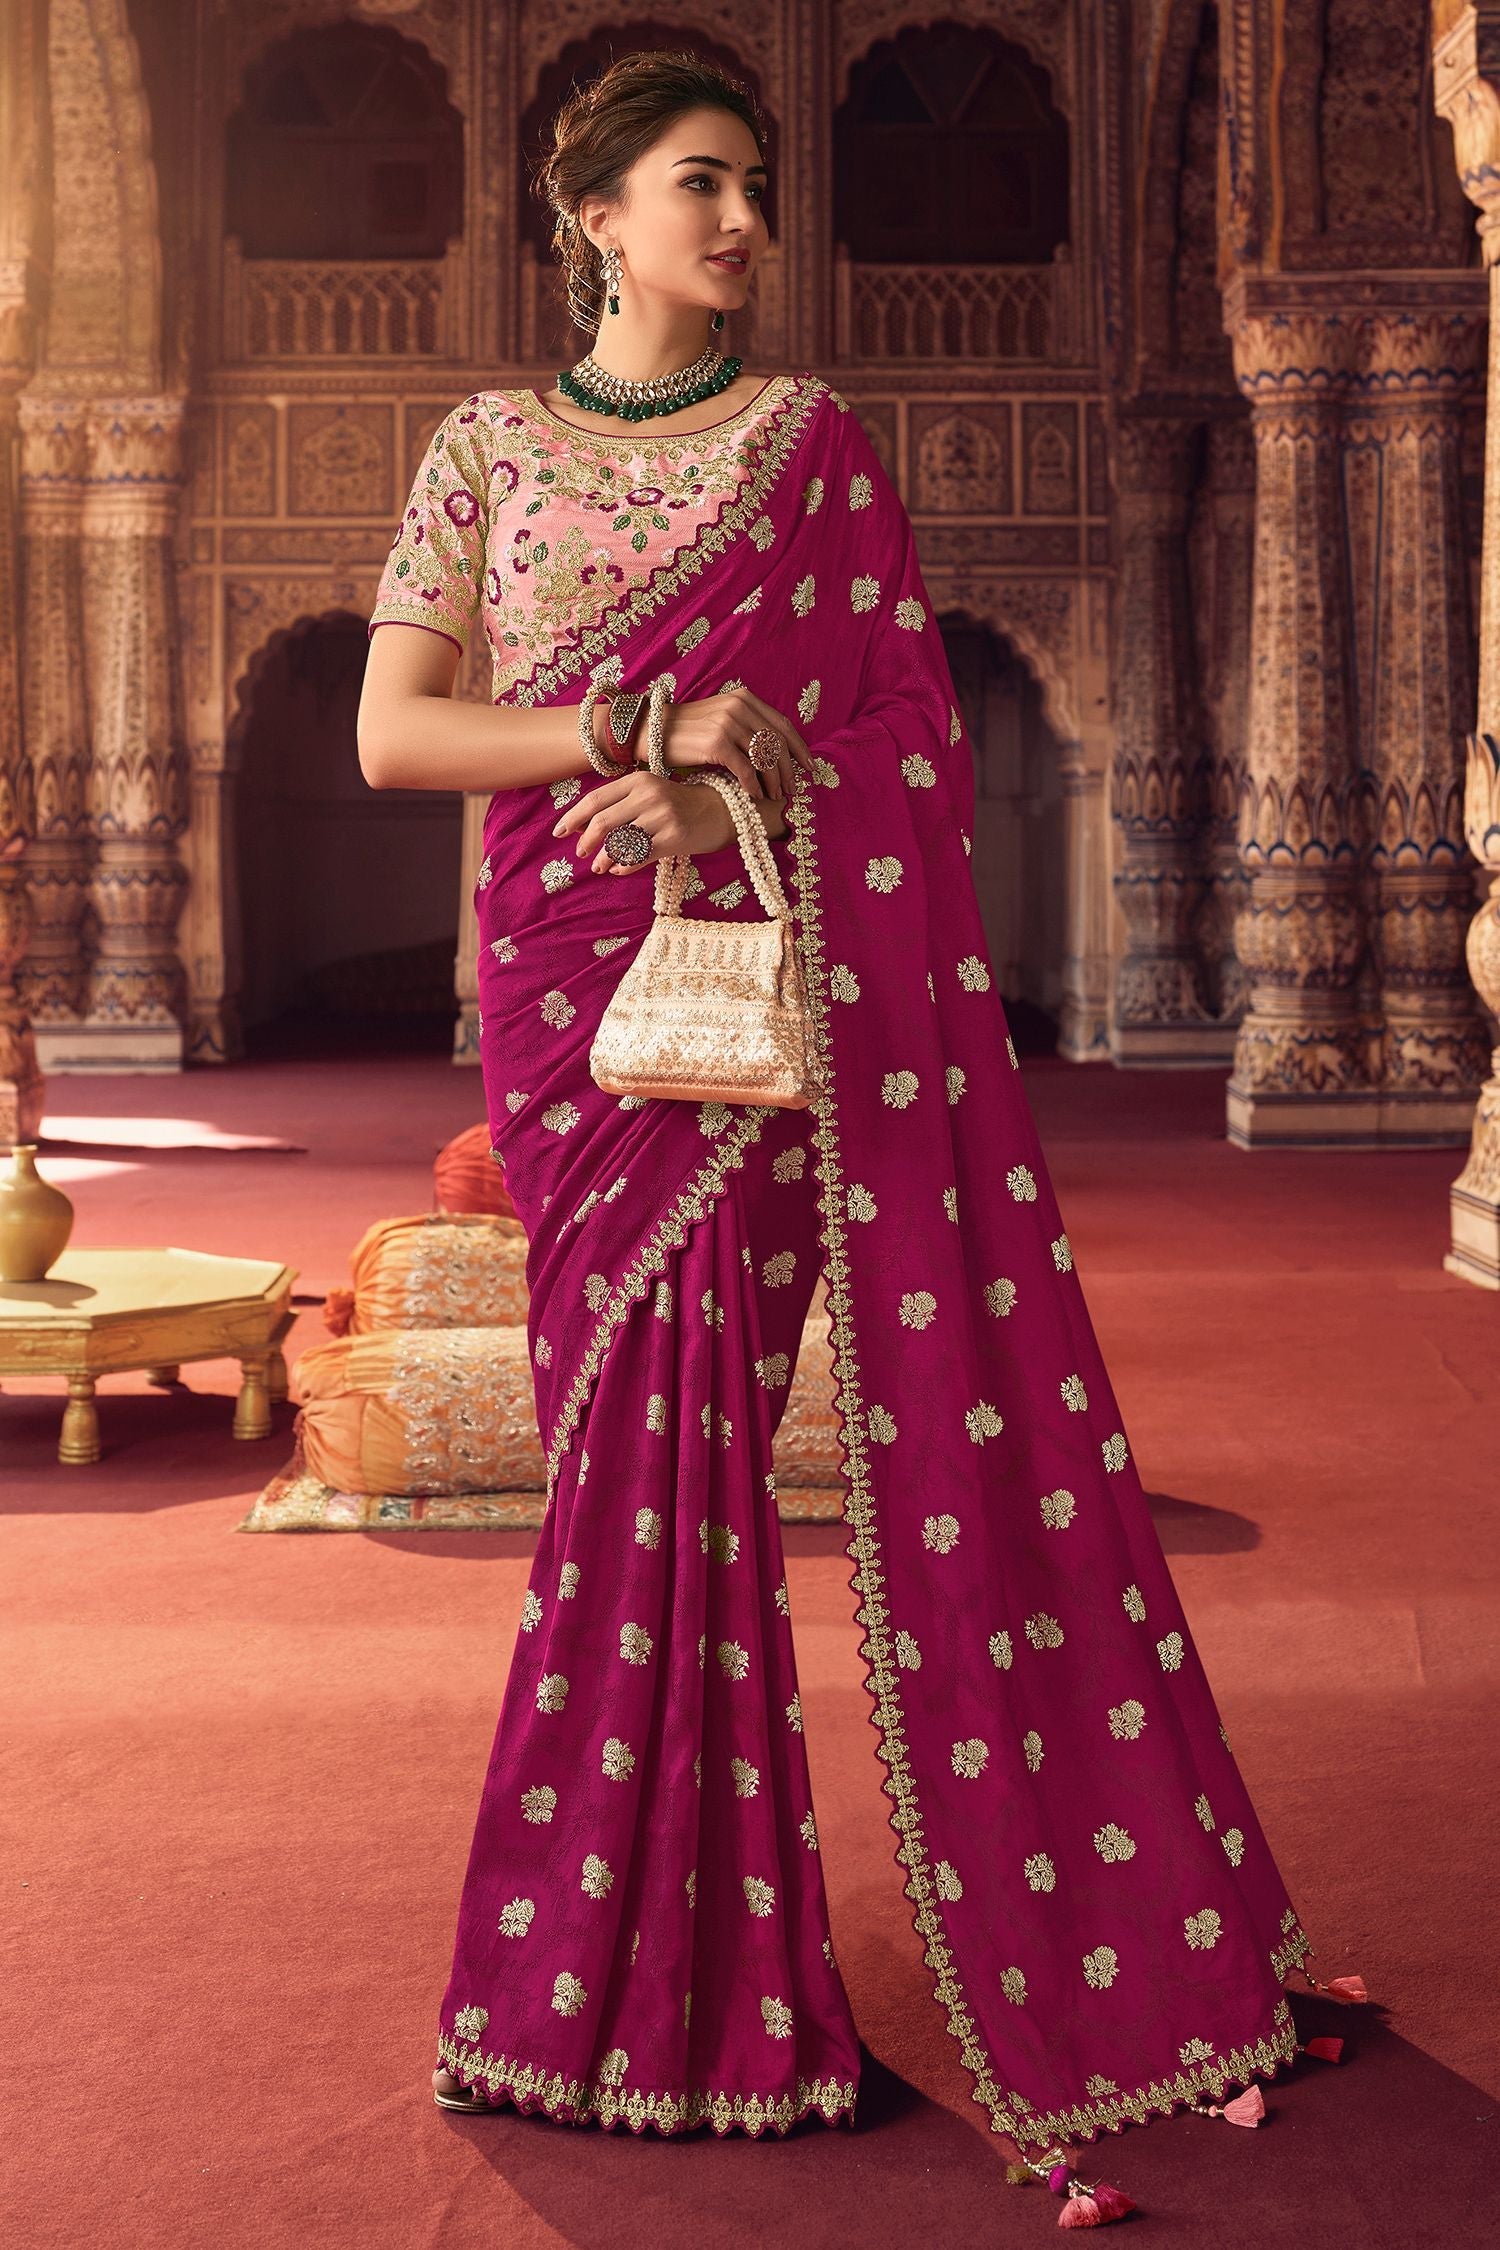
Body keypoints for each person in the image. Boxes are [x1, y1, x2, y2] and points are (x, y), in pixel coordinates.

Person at [357, 45, 1360, 2224]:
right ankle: (622, 1980)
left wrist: (745, 779)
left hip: (766, 1005)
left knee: (696, 1453)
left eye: (756, 191)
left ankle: (667, 1984)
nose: (739, 226)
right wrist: (629, 721)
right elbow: (396, 731)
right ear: (593, 216)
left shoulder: (816, 447)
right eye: (698, 186)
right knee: (614, 1464)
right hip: (575, 1017)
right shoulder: (482, 449)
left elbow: (900, 729)